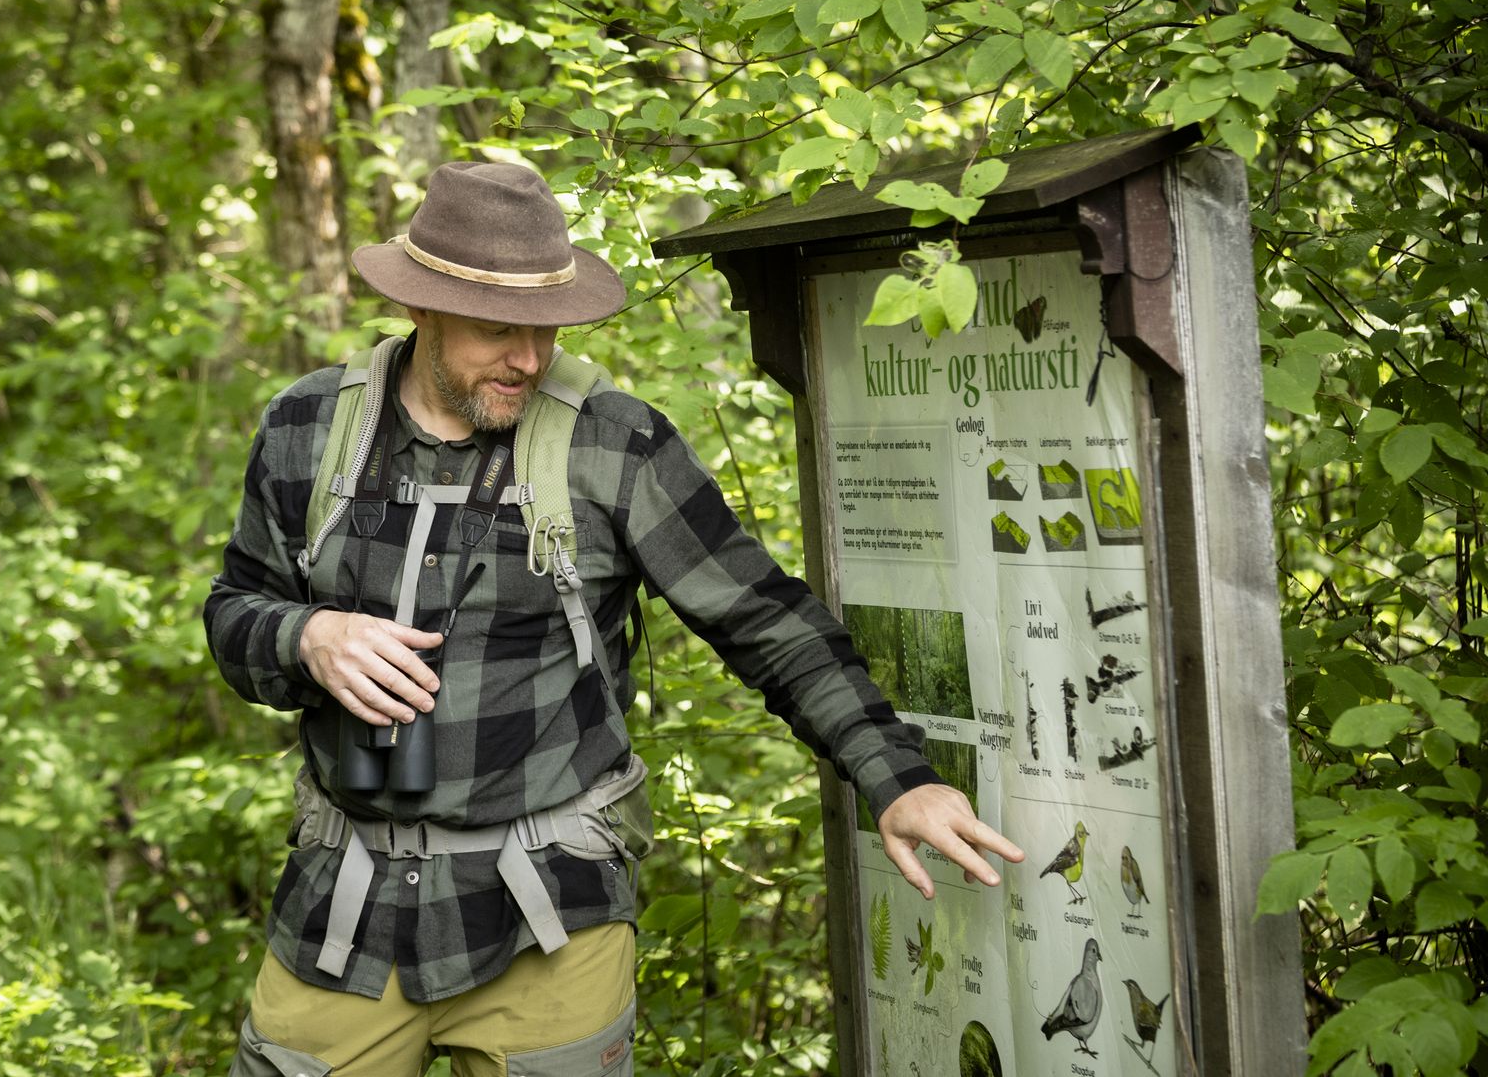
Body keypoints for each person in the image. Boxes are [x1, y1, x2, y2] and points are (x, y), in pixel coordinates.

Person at [206, 161, 1022, 1076]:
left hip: (548, 909)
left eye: (546, 328)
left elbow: (768, 623)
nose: (529, 357)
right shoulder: (307, 428)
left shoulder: (614, 444)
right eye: (498, 329)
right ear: (422, 308)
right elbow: (235, 611)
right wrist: (306, 638)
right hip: (341, 908)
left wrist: (896, 776)